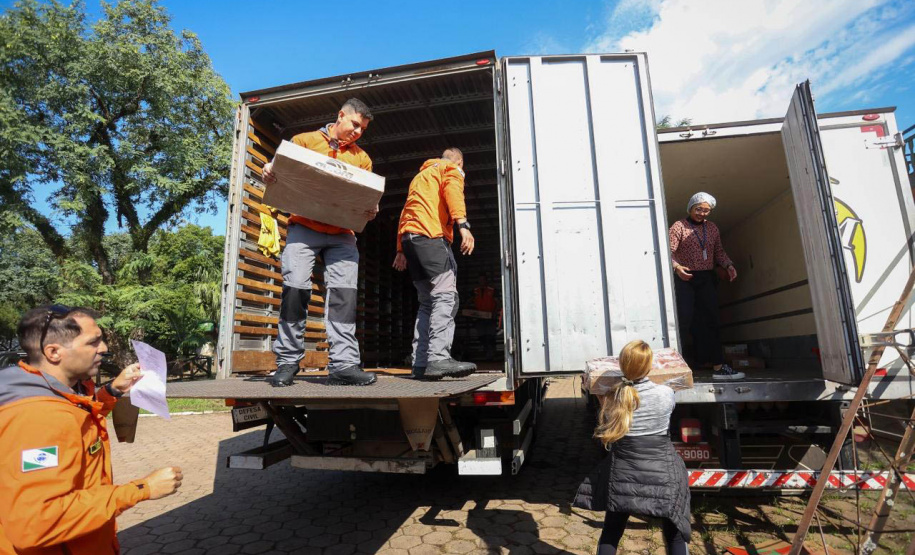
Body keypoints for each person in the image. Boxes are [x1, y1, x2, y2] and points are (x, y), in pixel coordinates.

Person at [0, 305, 183, 554]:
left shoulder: (54, 390)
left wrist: (112, 391)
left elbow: (78, 423)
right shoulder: (38, 417)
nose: (104, 348)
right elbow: (38, 523)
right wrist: (143, 489)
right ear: (54, 352)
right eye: (93, 342)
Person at [262, 98, 379, 387]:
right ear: (340, 115)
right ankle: (288, 362)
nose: (357, 132)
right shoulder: (303, 141)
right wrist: (269, 172)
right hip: (304, 227)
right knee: (295, 291)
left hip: (343, 235)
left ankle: (344, 365)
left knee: (344, 298)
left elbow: (364, 196)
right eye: (355, 124)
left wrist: (371, 208)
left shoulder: (362, 158)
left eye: (362, 129)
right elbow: (279, 174)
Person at [573, 340, 691, 555]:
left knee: (611, 531)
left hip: (623, 474)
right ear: (649, 367)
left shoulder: (611, 398)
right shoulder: (666, 394)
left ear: (621, 365)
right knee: (675, 531)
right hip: (663, 472)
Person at [392, 148, 477, 380]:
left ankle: (421, 364)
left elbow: (405, 212)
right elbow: (453, 192)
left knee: (427, 302)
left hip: (412, 240)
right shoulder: (451, 169)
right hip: (431, 236)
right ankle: (438, 357)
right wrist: (463, 225)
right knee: (446, 296)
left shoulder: (420, 176)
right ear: (459, 160)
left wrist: (401, 248)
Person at [669, 192, 744, 381]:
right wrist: (677, 268)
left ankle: (718, 365)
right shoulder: (679, 226)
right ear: (690, 208)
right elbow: (667, 252)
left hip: (706, 278)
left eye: (706, 210)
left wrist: (728, 265)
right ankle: (678, 366)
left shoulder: (712, 228)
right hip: (685, 277)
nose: (702, 213)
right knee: (685, 320)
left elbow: (718, 251)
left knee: (711, 320)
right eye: (699, 209)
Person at [472, 274, 498, 360]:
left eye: (483, 280)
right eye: (480, 280)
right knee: (482, 336)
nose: (481, 281)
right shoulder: (475, 290)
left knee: (490, 336)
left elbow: (498, 303)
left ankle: (492, 353)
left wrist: (494, 313)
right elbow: (470, 301)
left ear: (486, 281)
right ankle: (486, 352)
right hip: (479, 317)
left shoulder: (492, 290)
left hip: (490, 317)